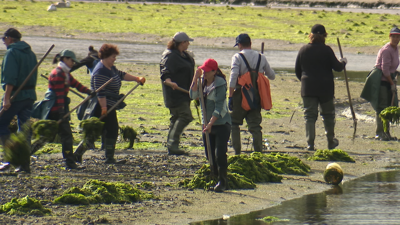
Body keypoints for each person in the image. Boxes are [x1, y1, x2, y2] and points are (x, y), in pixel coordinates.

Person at [74, 43, 145, 164]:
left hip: (110, 104)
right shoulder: (100, 71)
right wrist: (104, 107)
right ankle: (78, 154)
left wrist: (136, 78)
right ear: (106, 57)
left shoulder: (111, 68)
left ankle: (109, 157)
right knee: (95, 132)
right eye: (113, 57)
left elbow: (121, 75)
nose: (115, 59)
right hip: (100, 105)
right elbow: (100, 91)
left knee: (111, 130)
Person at [295, 24, 346, 150]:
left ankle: (310, 144)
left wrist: (305, 80)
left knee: (309, 116)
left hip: (308, 88)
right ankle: (330, 141)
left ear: (310, 35)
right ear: (324, 36)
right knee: (328, 115)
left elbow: (297, 70)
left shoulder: (303, 50)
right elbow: (338, 67)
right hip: (325, 87)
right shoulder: (327, 50)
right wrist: (343, 61)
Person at [46, 49, 94, 169]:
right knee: (66, 136)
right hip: (56, 108)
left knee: (53, 135)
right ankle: (70, 163)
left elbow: (76, 84)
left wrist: (89, 91)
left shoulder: (65, 73)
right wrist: (62, 111)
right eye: (72, 61)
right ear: (65, 59)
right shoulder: (58, 73)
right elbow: (59, 94)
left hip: (60, 107)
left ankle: (69, 161)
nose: (73, 63)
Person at [229, 33, 275, 155]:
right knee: (255, 125)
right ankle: (258, 153)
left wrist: (230, 96)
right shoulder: (261, 57)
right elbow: (272, 75)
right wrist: (261, 71)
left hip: (240, 95)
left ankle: (237, 152)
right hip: (256, 96)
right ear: (250, 43)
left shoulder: (237, 57)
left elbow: (233, 77)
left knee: (234, 123)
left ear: (239, 44)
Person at [189, 59, 231, 192]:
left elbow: (219, 107)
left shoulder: (220, 84)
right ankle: (215, 176)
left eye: (207, 71)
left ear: (214, 71)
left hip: (221, 123)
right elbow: (192, 95)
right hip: (206, 124)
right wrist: (195, 78)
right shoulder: (202, 82)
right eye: (203, 70)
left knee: (220, 153)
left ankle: (223, 182)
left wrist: (211, 124)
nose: (204, 73)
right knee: (209, 154)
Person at [0, 28, 38, 173]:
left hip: (17, 96)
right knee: (24, 130)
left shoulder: (12, 52)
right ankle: (24, 164)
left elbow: (10, 77)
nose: (3, 42)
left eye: (4, 39)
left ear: (9, 38)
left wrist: (6, 98)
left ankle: (11, 158)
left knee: (1, 124)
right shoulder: (31, 53)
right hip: (29, 96)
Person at [361, 27, 400, 141]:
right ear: (390, 36)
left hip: (389, 79)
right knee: (382, 107)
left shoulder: (395, 49)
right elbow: (385, 70)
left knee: (390, 106)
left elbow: (392, 67)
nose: (396, 39)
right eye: (394, 36)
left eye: (398, 36)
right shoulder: (386, 50)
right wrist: (392, 84)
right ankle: (380, 132)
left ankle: (386, 132)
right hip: (382, 81)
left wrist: (395, 74)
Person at [160, 32, 195, 155]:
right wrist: (169, 82)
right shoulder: (169, 56)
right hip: (175, 93)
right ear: (182, 43)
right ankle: (173, 144)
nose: (189, 44)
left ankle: (172, 145)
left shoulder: (184, 55)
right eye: (187, 42)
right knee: (185, 116)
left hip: (185, 92)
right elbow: (165, 72)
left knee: (175, 118)